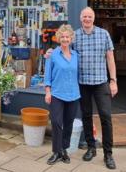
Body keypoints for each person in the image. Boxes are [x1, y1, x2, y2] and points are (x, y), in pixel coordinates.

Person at [73, 7, 118, 170]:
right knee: (86, 116)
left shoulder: (104, 34)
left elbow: (110, 59)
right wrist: (51, 53)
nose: (87, 19)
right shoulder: (75, 36)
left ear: (93, 18)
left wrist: (113, 81)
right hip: (83, 83)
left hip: (101, 83)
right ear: (80, 18)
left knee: (106, 117)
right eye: (84, 16)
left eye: (89, 16)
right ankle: (91, 148)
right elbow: (66, 54)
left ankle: (108, 154)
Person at [44, 24, 80, 165]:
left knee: (68, 124)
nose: (65, 39)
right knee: (57, 123)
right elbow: (47, 76)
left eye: (67, 37)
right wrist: (48, 92)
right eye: (63, 36)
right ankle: (56, 152)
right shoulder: (52, 55)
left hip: (73, 95)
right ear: (59, 38)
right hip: (57, 94)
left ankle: (64, 150)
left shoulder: (76, 56)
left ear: (71, 38)